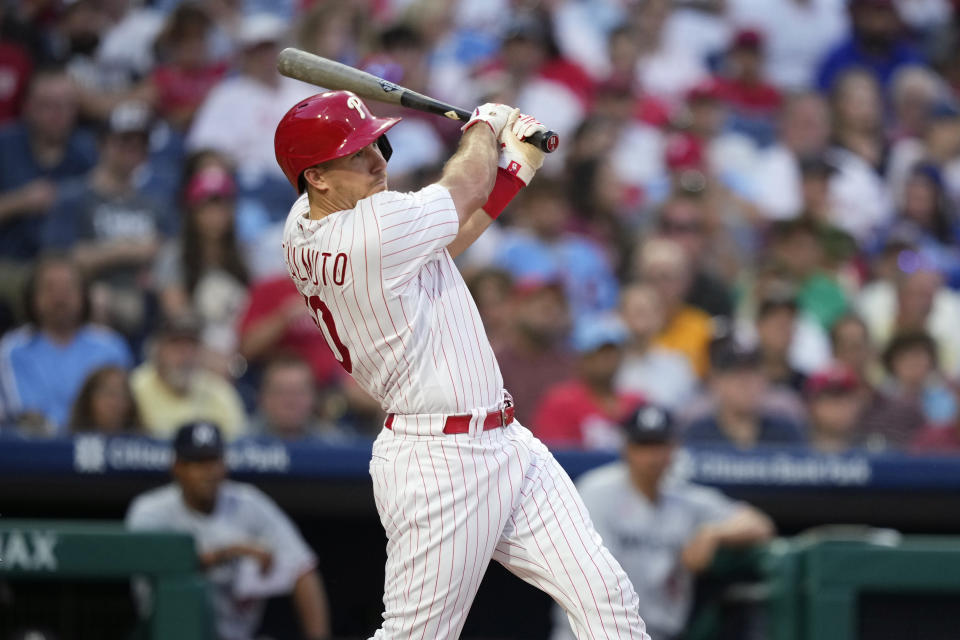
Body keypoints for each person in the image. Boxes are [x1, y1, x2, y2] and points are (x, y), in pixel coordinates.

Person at [275, 91, 647, 638]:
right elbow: (462, 188)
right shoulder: (368, 230)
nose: (378, 160)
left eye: (377, 144)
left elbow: (443, 238)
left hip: (505, 441)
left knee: (607, 600)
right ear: (318, 178)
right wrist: (483, 126)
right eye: (356, 154)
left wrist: (511, 174)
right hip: (439, 461)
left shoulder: (307, 222)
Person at [551, 402, 774, 640]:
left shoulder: (685, 499)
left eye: (659, 445)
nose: (652, 456)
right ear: (627, 448)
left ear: (673, 449)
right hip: (590, 633)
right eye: (643, 445)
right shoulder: (595, 492)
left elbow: (760, 524)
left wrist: (714, 533)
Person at [125, 421, 331, 640]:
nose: (209, 472)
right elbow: (164, 570)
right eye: (198, 463)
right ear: (177, 467)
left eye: (214, 461)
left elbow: (303, 568)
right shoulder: (150, 511)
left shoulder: (249, 502)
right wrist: (229, 552)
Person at [42, 100, 168, 336]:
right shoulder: (73, 197)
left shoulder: (155, 202)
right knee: (98, 300)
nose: (133, 148)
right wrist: (124, 250)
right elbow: (58, 260)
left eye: (140, 143)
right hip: (94, 298)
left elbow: (167, 248)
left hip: (146, 299)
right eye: (123, 141)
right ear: (102, 144)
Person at [0, 253, 132, 434]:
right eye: (50, 288)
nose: (60, 298)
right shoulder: (12, 349)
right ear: (33, 296)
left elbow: (121, 411)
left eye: (68, 288)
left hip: (98, 447)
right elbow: (20, 412)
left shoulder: (111, 346)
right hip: (34, 452)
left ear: (84, 295)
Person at [533, 313, 643, 451]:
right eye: (599, 352)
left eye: (613, 352)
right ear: (582, 357)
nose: (608, 359)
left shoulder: (636, 402)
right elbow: (553, 458)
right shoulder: (560, 402)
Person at [130, 314, 246, 440]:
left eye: (192, 345)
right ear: (158, 350)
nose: (186, 355)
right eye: (176, 345)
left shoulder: (220, 392)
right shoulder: (135, 388)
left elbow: (237, 446)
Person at [683, 342, 806, 449]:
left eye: (754, 374)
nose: (747, 384)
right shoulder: (698, 435)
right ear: (716, 383)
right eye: (736, 375)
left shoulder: (785, 434)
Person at [615, 282, 698, 412]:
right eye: (636, 312)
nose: (642, 321)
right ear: (621, 316)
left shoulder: (678, 365)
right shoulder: (608, 366)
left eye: (648, 312)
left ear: (660, 317)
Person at [804, 366, 865, 454]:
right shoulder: (788, 448)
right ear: (811, 404)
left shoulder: (874, 451)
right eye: (832, 397)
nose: (842, 406)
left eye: (848, 398)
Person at [68, 365, 142, 434]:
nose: (115, 403)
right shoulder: (67, 443)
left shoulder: (143, 444)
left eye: (123, 395)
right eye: (109, 394)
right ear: (88, 400)